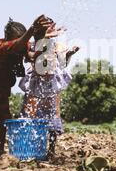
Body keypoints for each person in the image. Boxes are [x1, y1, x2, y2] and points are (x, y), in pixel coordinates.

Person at [0, 15, 57, 162]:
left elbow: (33, 56)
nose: (23, 41)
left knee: (4, 116)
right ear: (9, 38)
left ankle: (0, 149)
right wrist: (32, 29)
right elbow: (18, 44)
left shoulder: (22, 45)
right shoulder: (1, 46)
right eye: (19, 38)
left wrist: (42, 39)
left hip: (1, 84)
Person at [19, 19, 79, 158]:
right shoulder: (33, 45)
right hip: (37, 85)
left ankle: (51, 150)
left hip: (50, 84)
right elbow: (30, 57)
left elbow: (60, 60)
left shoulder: (55, 45)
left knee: (52, 117)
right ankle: (33, 149)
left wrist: (68, 54)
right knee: (32, 116)